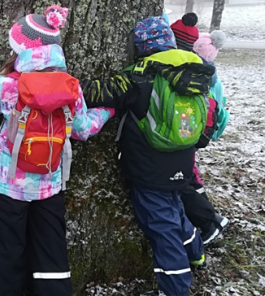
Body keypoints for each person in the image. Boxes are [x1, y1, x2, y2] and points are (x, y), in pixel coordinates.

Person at [0, 5, 114, 296]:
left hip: (10, 185)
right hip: (51, 183)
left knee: (8, 248)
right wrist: (108, 111)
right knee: (51, 247)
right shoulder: (71, 88)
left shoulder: (10, 86)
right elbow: (83, 129)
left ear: (20, 49)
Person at [81, 16, 209, 296]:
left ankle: (174, 288)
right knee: (175, 209)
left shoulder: (139, 75)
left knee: (162, 228)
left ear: (141, 46)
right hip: (182, 163)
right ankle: (196, 252)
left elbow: (98, 93)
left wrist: (68, 85)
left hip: (149, 170)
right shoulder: (193, 71)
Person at [184, 30, 230, 244]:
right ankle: (211, 217)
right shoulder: (211, 75)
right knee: (190, 174)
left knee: (186, 177)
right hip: (195, 132)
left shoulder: (202, 76)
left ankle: (209, 220)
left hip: (191, 132)